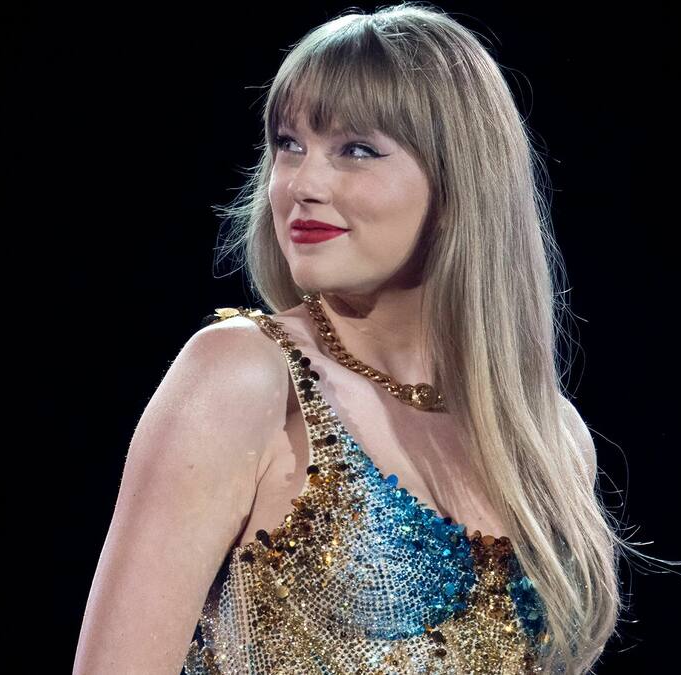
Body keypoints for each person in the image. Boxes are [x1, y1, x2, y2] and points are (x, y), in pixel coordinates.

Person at [74, 3, 646, 673]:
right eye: (289, 143)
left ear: (459, 183)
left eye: (356, 150)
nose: (301, 184)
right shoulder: (243, 377)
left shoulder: (549, 437)